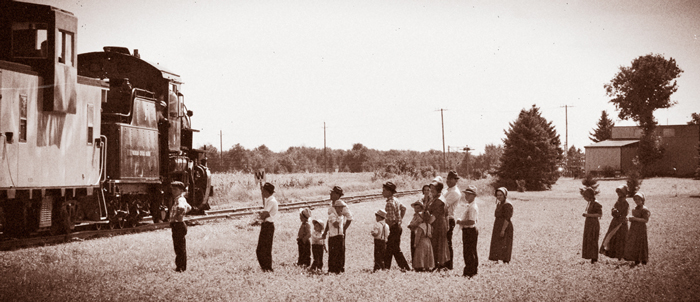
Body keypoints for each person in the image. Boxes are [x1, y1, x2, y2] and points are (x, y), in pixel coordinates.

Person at [382, 181, 411, 271]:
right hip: (397, 227)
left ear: (389, 192)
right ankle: (387, 267)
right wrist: (400, 219)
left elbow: (390, 220)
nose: (382, 192)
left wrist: (387, 231)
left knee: (393, 249)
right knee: (392, 249)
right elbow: (404, 208)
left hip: (393, 228)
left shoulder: (389, 203)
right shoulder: (396, 200)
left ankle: (404, 267)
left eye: (384, 190)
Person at [323, 186, 353, 273]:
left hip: (339, 233)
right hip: (332, 232)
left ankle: (339, 269)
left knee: (340, 250)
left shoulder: (342, 205)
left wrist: (344, 229)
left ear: (337, 195)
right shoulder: (331, 205)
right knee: (332, 250)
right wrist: (325, 231)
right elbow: (329, 220)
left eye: (332, 193)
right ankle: (332, 269)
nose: (330, 194)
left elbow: (350, 217)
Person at [600, 185, 630, 260]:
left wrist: (618, 213)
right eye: (618, 192)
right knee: (613, 237)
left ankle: (622, 255)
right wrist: (614, 210)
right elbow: (614, 208)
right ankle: (613, 253)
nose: (619, 194)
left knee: (622, 238)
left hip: (621, 222)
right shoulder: (617, 201)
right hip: (615, 221)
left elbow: (624, 213)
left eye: (620, 192)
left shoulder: (626, 203)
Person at [426, 181, 450, 269]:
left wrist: (426, 224)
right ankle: (438, 264)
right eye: (431, 188)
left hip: (438, 224)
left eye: (433, 188)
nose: (431, 190)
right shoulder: (439, 198)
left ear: (438, 189)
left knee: (436, 243)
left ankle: (437, 264)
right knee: (439, 243)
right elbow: (447, 214)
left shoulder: (438, 201)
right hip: (441, 223)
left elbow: (434, 217)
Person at [457, 185, 479, 277]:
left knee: (469, 251)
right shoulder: (469, 205)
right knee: (469, 250)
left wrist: (460, 221)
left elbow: (472, 221)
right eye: (466, 194)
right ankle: (472, 269)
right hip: (467, 230)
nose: (466, 196)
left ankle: (470, 271)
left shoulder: (472, 207)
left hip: (470, 230)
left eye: (469, 195)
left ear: (474, 196)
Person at [170, 181, 192, 272]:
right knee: (179, 247)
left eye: (175, 189)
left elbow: (182, 207)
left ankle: (180, 267)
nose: (173, 191)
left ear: (181, 190)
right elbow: (189, 207)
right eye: (172, 189)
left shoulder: (180, 199)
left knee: (179, 247)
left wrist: (178, 217)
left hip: (178, 225)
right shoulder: (179, 199)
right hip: (178, 225)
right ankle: (181, 266)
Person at [256, 182, 278, 272]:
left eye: (263, 191)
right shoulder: (269, 200)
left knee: (264, 249)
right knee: (262, 249)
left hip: (268, 226)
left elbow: (265, 214)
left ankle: (267, 268)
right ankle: (265, 267)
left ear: (267, 192)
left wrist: (256, 217)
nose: (262, 193)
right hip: (266, 225)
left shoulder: (271, 201)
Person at [624, 192, 650, 265]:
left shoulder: (644, 209)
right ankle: (636, 259)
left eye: (639, 199)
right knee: (635, 243)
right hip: (634, 229)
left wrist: (634, 219)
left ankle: (643, 259)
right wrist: (630, 219)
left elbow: (646, 220)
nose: (637, 201)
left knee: (641, 243)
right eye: (635, 199)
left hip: (641, 229)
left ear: (642, 200)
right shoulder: (636, 208)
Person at [408, 200, 434, 272]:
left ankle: (419, 265)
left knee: (419, 252)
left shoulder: (421, 217)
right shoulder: (415, 215)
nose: (416, 210)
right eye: (415, 208)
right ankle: (416, 264)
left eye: (418, 208)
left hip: (419, 234)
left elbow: (415, 224)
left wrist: (411, 225)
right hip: (414, 232)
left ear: (422, 209)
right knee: (414, 249)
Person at [489, 187, 513, 263]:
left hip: (505, 226)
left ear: (505, 195)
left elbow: (507, 218)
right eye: (497, 195)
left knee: (505, 242)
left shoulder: (507, 205)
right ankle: (496, 259)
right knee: (497, 242)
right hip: (497, 225)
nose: (499, 197)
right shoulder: (499, 204)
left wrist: (503, 230)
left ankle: (505, 260)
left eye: (501, 195)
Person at [444, 170, 462, 270]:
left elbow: (443, 204)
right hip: (444, 218)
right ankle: (444, 263)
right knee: (444, 242)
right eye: (447, 179)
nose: (448, 181)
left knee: (447, 242)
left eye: (451, 179)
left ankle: (449, 265)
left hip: (449, 218)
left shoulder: (455, 192)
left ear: (456, 180)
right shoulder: (448, 190)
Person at [581, 186, 603, 263]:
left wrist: (588, 215)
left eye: (585, 196)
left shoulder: (596, 203)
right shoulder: (590, 203)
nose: (584, 198)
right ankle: (590, 256)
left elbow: (599, 214)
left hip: (594, 224)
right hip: (589, 224)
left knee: (593, 239)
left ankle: (594, 258)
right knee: (589, 239)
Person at [411, 184, 432, 259]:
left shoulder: (431, 199)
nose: (426, 191)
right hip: (419, 219)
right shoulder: (421, 199)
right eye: (425, 190)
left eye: (428, 190)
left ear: (430, 191)